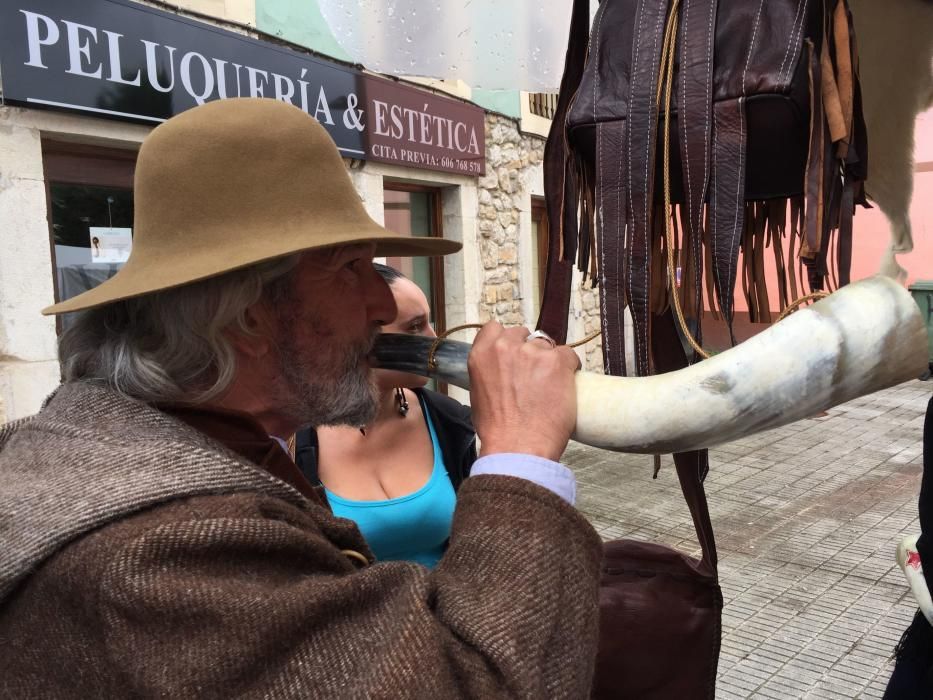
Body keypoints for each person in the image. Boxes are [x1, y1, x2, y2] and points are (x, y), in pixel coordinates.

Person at [0, 98, 601, 698]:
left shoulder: (114, 451)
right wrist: (522, 458)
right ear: (248, 315)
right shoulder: (164, 553)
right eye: (348, 269)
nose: (384, 306)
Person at [293, 263, 476, 568]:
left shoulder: (449, 421)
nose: (434, 339)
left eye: (429, 323)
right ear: (351, 337)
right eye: (415, 327)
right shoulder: (293, 439)